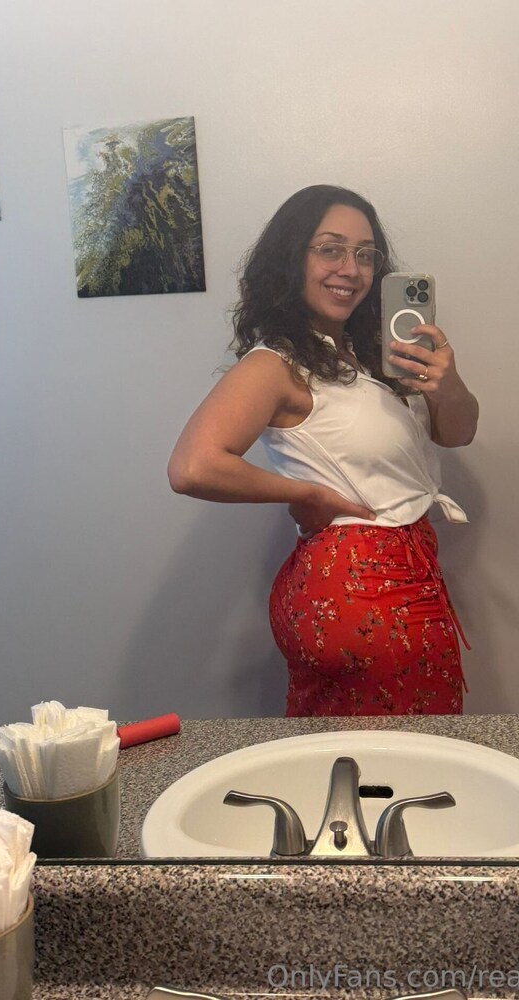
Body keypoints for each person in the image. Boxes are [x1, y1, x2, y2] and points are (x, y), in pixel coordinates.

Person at [168, 185, 479, 716]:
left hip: (391, 575)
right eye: (330, 249)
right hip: (361, 584)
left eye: (365, 255)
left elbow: (458, 433)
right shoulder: (275, 363)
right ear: (293, 258)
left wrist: (444, 382)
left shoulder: (371, 355)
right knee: (405, 748)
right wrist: (306, 493)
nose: (350, 269)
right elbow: (193, 466)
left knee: (356, 747)